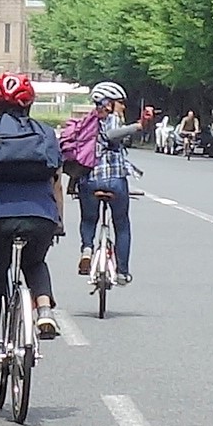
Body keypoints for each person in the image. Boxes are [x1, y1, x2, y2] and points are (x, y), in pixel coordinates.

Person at [0, 72, 72, 349]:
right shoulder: (46, 133)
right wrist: (58, 221)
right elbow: (56, 183)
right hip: (41, 215)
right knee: (34, 263)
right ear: (29, 103)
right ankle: (44, 309)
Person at [68, 87, 136, 292]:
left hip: (88, 181)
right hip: (114, 181)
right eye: (120, 102)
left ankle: (87, 249)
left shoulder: (86, 123)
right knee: (121, 223)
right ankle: (122, 271)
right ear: (109, 103)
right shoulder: (112, 119)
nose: (123, 106)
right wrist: (137, 126)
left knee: (89, 219)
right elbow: (111, 135)